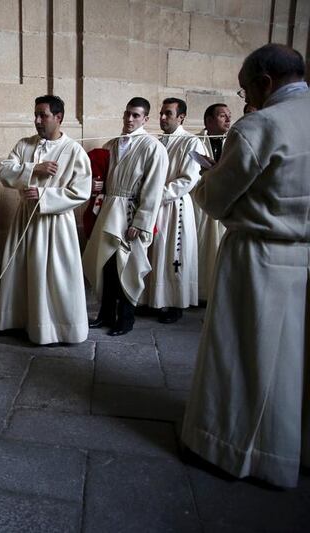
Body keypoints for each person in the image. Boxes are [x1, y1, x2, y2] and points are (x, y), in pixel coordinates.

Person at [181, 44, 310, 488]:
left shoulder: (260, 125)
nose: (245, 100)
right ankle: (293, 447)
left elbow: (215, 200)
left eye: (244, 90)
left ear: (264, 82)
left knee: (242, 354)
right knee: (296, 360)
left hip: (259, 254)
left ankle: (228, 447)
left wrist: (209, 175)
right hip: (304, 256)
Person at [0, 95, 92, 344]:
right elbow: (5, 172)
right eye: (36, 114)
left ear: (58, 117)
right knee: (21, 270)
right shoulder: (25, 144)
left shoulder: (73, 150)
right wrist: (32, 169)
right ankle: (20, 322)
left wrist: (43, 195)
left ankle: (55, 328)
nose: (37, 120)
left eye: (43, 115)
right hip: (25, 219)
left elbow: (81, 191)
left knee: (53, 275)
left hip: (55, 223)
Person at [82, 97, 168, 336]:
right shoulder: (112, 144)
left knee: (127, 267)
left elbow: (153, 189)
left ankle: (126, 319)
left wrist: (141, 223)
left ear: (146, 119)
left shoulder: (153, 147)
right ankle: (105, 314)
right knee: (107, 266)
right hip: (108, 211)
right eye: (127, 114)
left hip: (130, 213)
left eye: (136, 115)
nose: (130, 119)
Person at [145, 98, 204, 323]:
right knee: (156, 252)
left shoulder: (191, 142)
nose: (162, 118)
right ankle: (155, 300)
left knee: (173, 255)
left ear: (181, 117)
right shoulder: (158, 141)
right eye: (161, 113)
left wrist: (157, 194)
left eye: (168, 114)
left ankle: (175, 303)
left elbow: (189, 178)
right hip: (155, 206)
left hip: (175, 206)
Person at [194, 103, 231, 302]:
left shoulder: (233, 142)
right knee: (202, 248)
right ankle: (200, 292)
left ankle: (216, 293)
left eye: (229, 116)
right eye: (222, 116)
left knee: (218, 248)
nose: (227, 119)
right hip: (201, 203)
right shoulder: (195, 141)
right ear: (208, 120)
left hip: (223, 202)